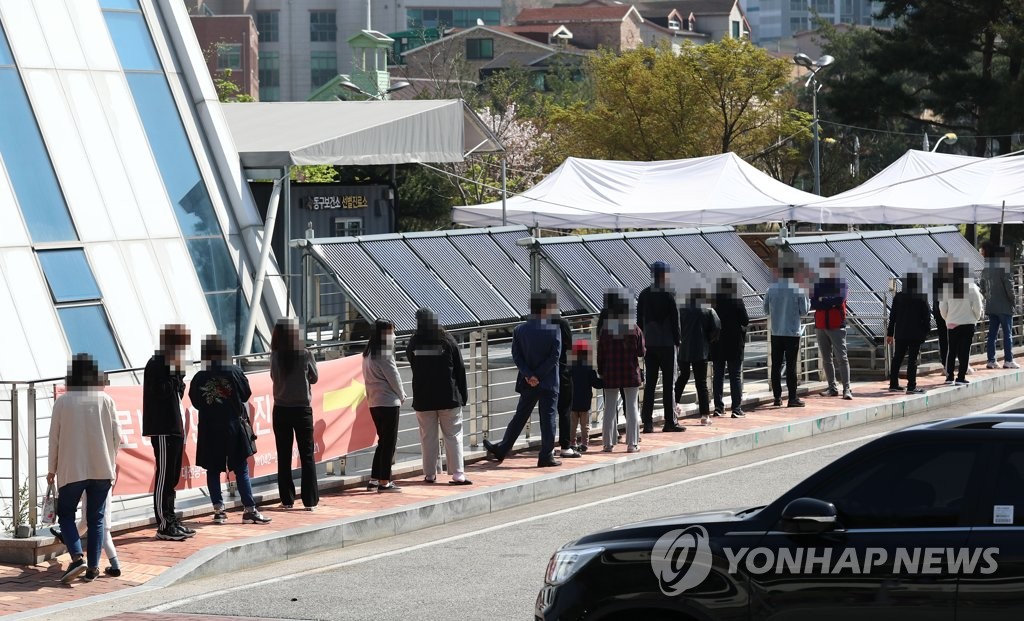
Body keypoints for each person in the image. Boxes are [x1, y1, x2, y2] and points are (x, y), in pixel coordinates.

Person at [48, 354, 120, 583]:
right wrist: (110, 458)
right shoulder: (106, 400)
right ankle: (93, 567)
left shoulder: (62, 402)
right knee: (96, 518)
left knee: (66, 513)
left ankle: (77, 558)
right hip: (101, 468)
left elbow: (54, 439)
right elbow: (117, 436)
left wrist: (51, 469)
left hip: (72, 469)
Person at [190, 335, 272, 525]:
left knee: (212, 469)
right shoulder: (234, 371)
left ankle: (219, 511)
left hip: (210, 429)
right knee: (241, 468)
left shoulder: (200, 376)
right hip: (233, 427)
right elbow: (246, 394)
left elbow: (195, 402)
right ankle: (249, 509)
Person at [484, 291, 562, 466]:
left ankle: (502, 449)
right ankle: (546, 455)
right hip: (549, 381)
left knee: (520, 416)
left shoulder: (520, 330)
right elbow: (554, 356)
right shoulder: (553, 329)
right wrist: (539, 375)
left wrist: (529, 375)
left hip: (528, 383)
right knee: (548, 418)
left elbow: (516, 355)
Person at [408, 308, 473, 483]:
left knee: (428, 437)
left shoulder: (414, 342)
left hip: (423, 398)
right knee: (453, 435)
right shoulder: (447, 340)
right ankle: (458, 473)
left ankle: (430, 474)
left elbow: (413, 365)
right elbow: (459, 369)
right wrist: (463, 395)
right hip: (448, 397)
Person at [142, 323, 194, 541]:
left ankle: (171, 519)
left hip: (175, 426)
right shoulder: (156, 363)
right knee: (164, 476)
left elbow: (178, 393)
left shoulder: (172, 364)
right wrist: (173, 373)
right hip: (162, 427)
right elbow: (160, 392)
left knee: (172, 476)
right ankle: (163, 524)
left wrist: (178, 377)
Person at [270, 318, 320, 510]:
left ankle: (287, 500)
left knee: (283, 455)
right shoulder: (306, 354)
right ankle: (310, 500)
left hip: (281, 409)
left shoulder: (275, 356)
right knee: (307, 455)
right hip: (302, 410)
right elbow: (314, 378)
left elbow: (273, 377)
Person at [637, 261, 683, 433]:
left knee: (650, 384)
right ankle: (669, 422)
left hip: (649, 344)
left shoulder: (644, 294)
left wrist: (640, 343)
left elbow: (639, 321)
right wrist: (678, 341)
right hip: (667, 344)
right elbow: (674, 321)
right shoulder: (669, 295)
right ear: (664, 275)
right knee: (668, 384)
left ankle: (647, 422)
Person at [596, 293, 645, 453]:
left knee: (609, 408)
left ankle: (608, 444)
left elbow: (600, 354)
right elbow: (641, 352)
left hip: (610, 373)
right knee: (632, 407)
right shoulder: (634, 328)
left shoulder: (605, 330)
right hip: (630, 373)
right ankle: (632, 444)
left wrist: (601, 372)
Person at [362, 319, 407, 492]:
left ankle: (374, 478)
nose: (393, 335)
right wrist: (401, 394)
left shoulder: (368, 352)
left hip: (374, 402)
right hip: (388, 402)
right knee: (389, 443)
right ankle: (384, 481)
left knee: (382, 441)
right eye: (391, 331)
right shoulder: (385, 353)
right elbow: (393, 376)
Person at [764, 265, 810, 407]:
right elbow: (804, 311)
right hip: (792, 333)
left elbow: (766, 310)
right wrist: (809, 301)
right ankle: (792, 398)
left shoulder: (771, 289)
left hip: (776, 332)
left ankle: (777, 397)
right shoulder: (799, 289)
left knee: (776, 365)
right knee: (791, 366)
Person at [674, 288, 720, 426]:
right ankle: (705, 415)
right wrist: (709, 340)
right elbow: (717, 327)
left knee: (683, 376)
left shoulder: (681, 310)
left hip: (683, 350)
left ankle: (673, 405)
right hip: (701, 350)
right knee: (701, 383)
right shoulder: (708, 310)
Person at [810, 257, 853, 400]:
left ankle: (847, 389)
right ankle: (832, 387)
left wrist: (823, 301)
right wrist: (828, 302)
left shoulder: (842, 283)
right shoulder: (818, 284)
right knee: (826, 359)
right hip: (821, 325)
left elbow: (839, 300)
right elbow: (814, 303)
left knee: (842, 357)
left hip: (836, 325)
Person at [710, 276, 750, 418]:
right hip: (734, 343)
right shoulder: (736, 300)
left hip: (717, 343)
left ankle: (718, 408)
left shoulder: (713, 301)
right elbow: (745, 320)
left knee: (718, 376)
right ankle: (736, 408)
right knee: (735, 376)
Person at [939, 262, 985, 385]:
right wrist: (976, 318)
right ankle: (961, 377)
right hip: (968, 323)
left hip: (952, 323)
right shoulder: (971, 286)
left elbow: (942, 307)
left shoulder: (947, 288)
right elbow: (978, 306)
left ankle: (949, 377)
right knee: (965, 350)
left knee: (951, 350)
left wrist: (947, 318)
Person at [887, 272, 932, 394]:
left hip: (901, 333)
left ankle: (893, 384)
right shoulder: (922, 296)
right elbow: (927, 316)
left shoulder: (898, 297)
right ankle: (911, 386)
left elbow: (893, 317)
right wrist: (926, 331)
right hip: (916, 334)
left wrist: (890, 333)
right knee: (912, 360)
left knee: (897, 358)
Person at [549, 291, 581, 459]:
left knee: (548, 412)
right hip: (563, 371)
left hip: (545, 373)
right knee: (565, 410)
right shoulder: (562, 323)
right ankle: (565, 446)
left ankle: (548, 446)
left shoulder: (539, 323)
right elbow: (569, 346)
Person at [982, 246, 1018, 369]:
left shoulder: (987, 268)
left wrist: (988, 297)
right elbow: (1010, 287)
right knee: (1007, 333)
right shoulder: (1005, 267)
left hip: (991, 305)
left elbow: (982, 285)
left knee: (992, 334)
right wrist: (1013, 302)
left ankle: (991, 360)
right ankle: (1008, 360)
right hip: (1004, 306)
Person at [569, 339, 602, 452]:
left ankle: (572, 442)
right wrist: (604, 381)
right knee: (585, 425)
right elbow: (596, 383)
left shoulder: (570, 368)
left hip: (572, 401)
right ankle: (584, 443)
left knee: (572, 424)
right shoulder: (589, 369)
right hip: (585, 401)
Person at [932, 256, 954, 372]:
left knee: (943, 338)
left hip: (939, 311)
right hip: (948, 312)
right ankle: (949, 362)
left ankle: (945, 362)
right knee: (951, 337)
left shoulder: (935, 276)